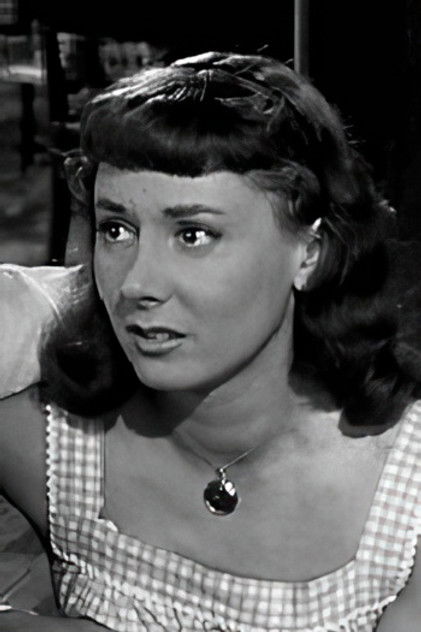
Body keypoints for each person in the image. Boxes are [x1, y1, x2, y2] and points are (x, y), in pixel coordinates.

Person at [0, 51, 419, 631]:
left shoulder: (406, 489)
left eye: (193, 234)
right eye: (116, 229)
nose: (138, 284)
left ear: (311, 253)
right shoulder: (48, 446)